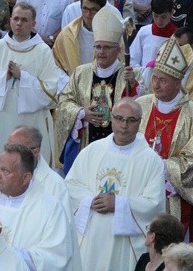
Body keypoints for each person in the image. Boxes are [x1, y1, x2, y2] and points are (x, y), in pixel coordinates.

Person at [64, 97, 165, 270]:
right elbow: (70, 186)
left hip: (123, 243)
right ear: (111, 118)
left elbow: (154, 204)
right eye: (119, 118)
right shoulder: (92, 150)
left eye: (131, 120)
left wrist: (118, 204)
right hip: (90, 237)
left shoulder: (151, 160)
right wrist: (91, 200)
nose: (124, 125)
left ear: (140, 122)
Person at [137, 36, 193, 241]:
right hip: (138, 185)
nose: (156, 84)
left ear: (177, 82)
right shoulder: (142, 105)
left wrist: (164, 167)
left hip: (172, 194)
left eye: (163, 80)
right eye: (154, 78)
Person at [55, 6, 141, 171]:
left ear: (118, 50)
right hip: (86, 145)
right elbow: (64, 101)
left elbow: (142, 107)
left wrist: (133, 86)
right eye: (98, 47)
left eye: (107, 47)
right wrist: (81, 113)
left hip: (118, 148)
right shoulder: (81, 72)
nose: (101, 52)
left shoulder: (130, 74)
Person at [0, 2, 59, 169]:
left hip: (31, 119)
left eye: (24, 20)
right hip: (0, 118)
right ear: (10, 21)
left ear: (33, 24)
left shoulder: (43, 51)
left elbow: (50, 88)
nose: (19, 23)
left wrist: (23, 77)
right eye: (16, 19)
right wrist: (4, 76)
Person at [129, 0, 176, 67]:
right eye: (155, 16)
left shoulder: (177, 36)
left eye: (163, 17)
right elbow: (133, 59)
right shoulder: (144, 32)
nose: (159, 21)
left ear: (171, 12)